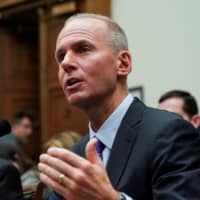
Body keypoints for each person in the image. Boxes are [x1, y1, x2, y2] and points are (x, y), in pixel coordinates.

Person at [38, 13, 200, 200]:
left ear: (123, 64)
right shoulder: (74, 158)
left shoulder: (170, 133)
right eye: (61, 56)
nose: (65, 63)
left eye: (83, 49)